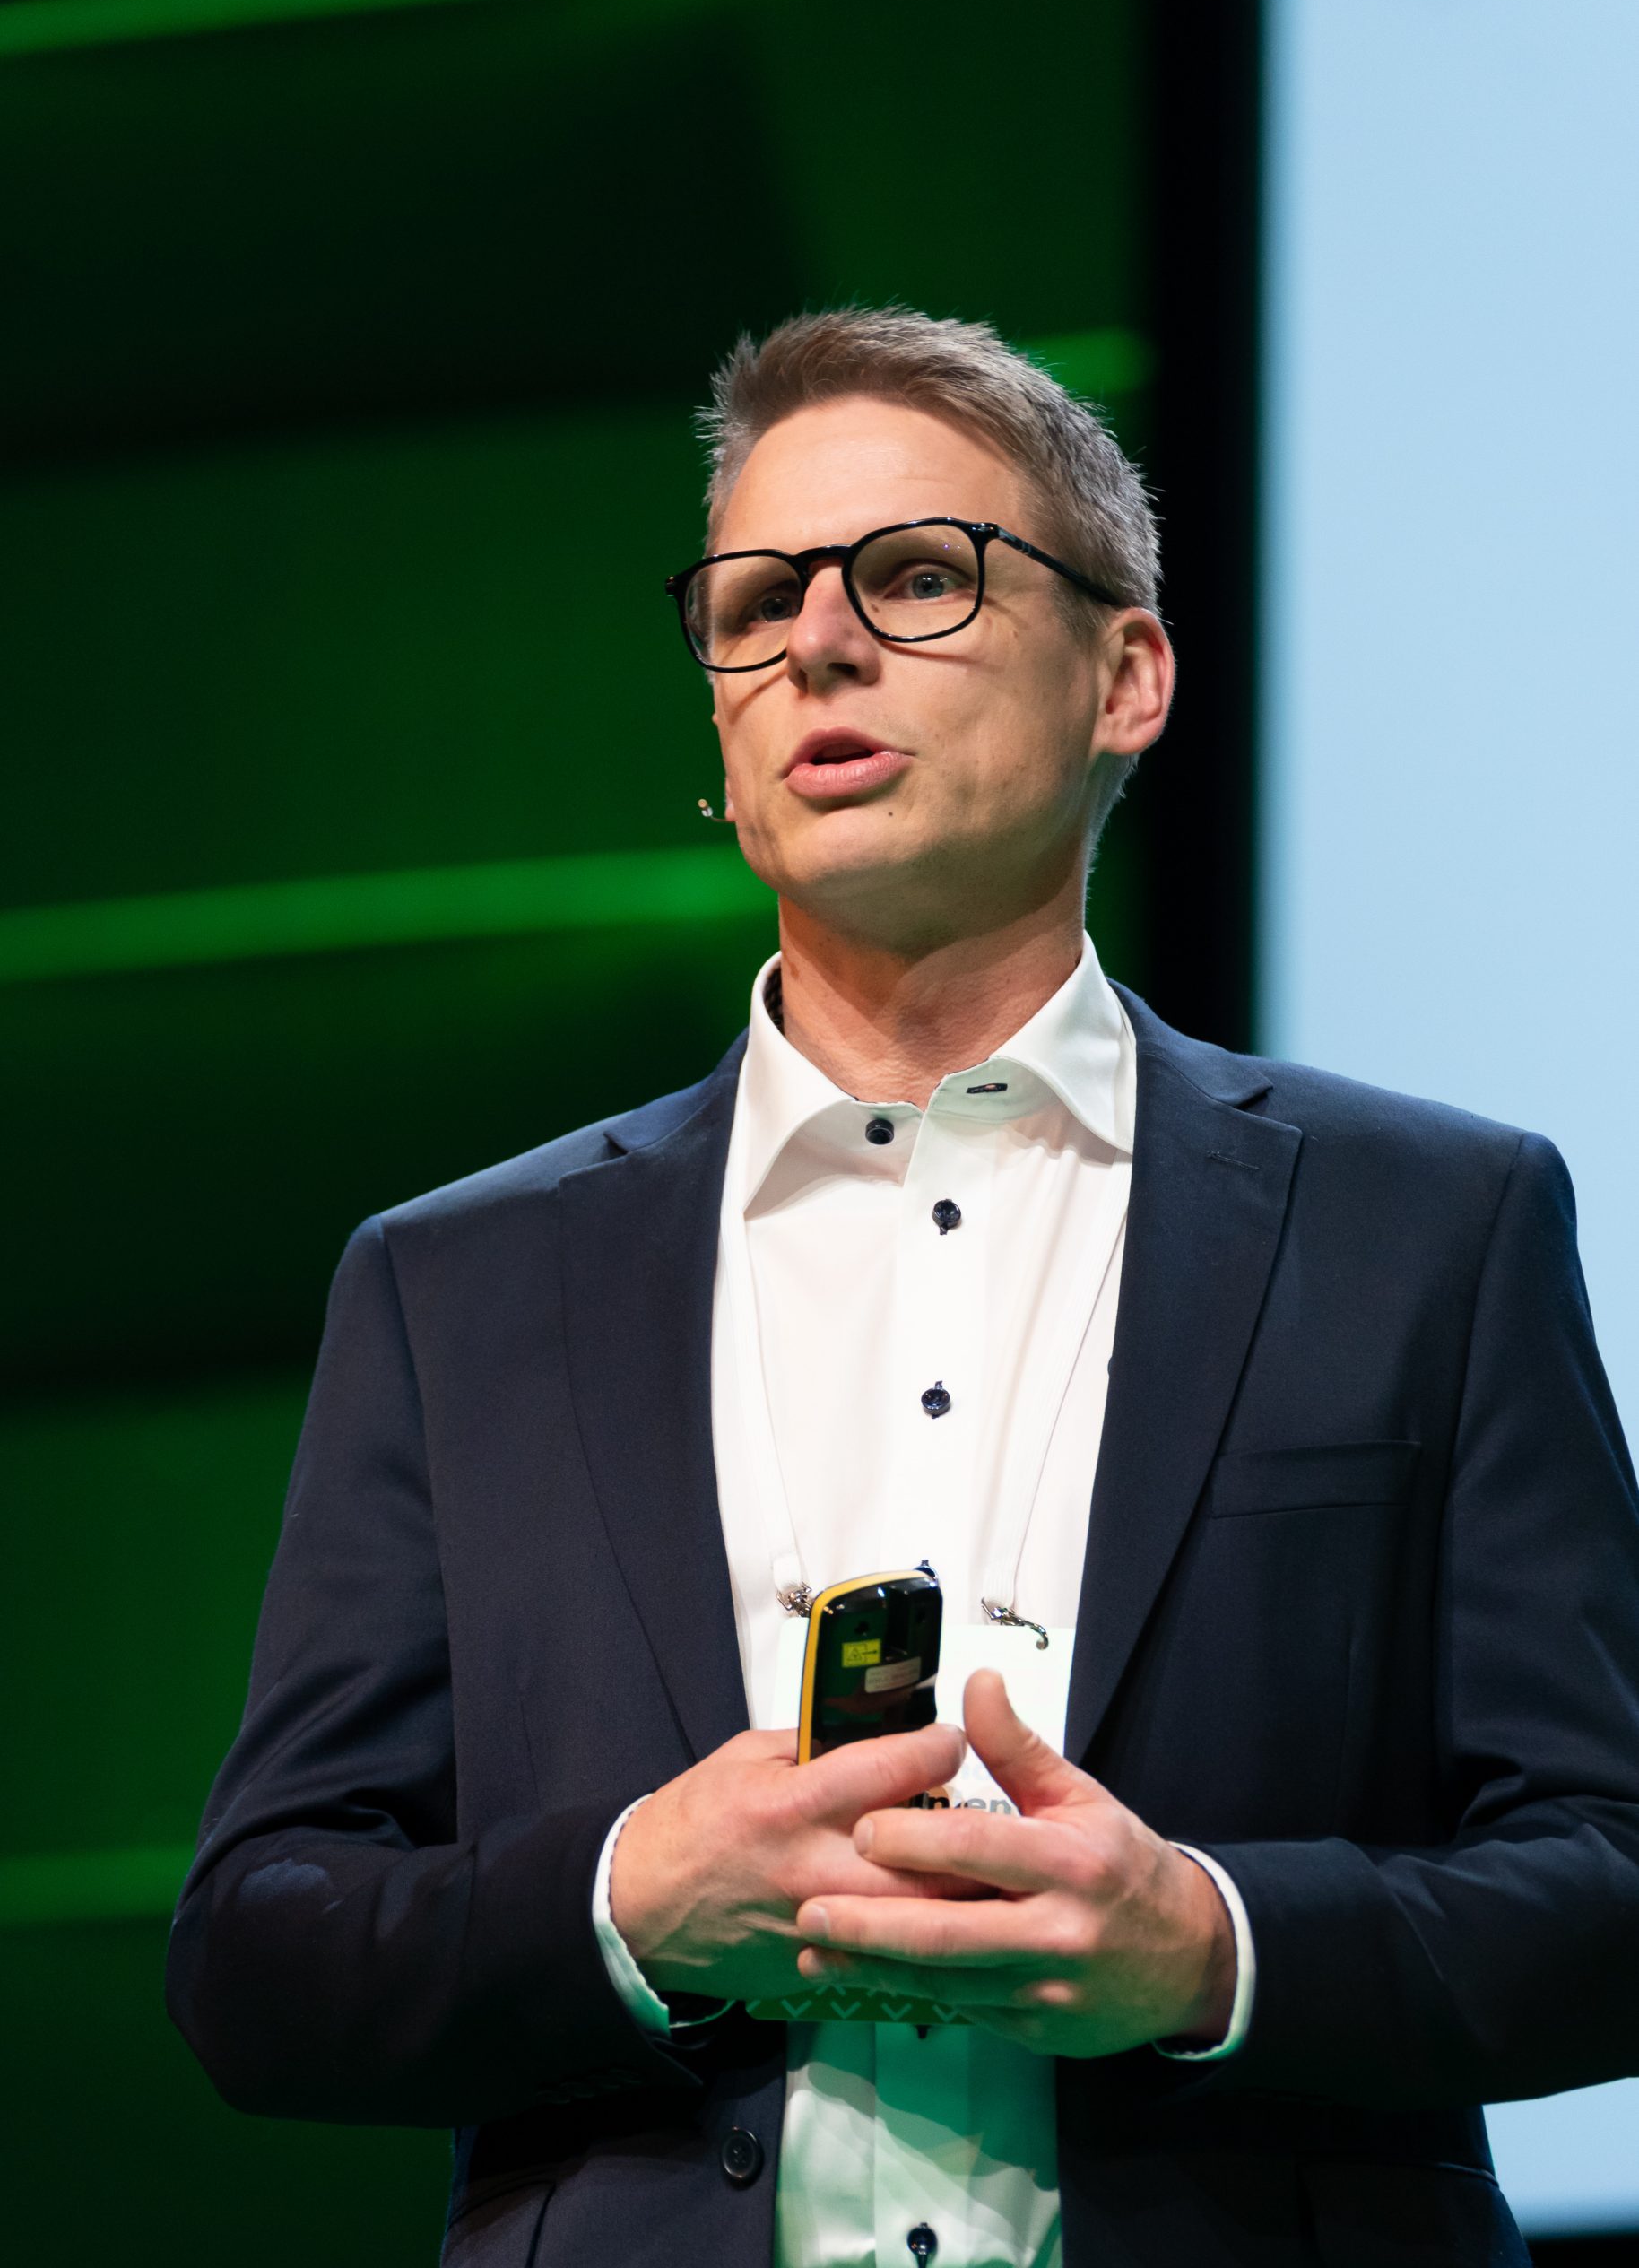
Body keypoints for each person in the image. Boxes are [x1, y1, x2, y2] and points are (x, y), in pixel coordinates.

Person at [166, 308, 1639, 2268]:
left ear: (1126, 675)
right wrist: (627, 1900)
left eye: (919, 576)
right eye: (753, 603)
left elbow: (1609, 1880)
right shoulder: (457, 1288)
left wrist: (1209, 1943)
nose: (818, 645)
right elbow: (259, 1952)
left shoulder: (1427, 1226)